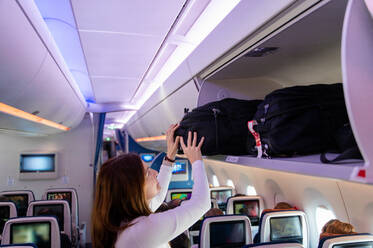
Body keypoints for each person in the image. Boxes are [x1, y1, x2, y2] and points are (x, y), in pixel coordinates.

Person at [91, 125, 211, 248]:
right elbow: (202, 203)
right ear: (135, 189)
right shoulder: (140, 232)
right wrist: (196, 159)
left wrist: (170, 157)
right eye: (148, 173)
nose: (155, 173)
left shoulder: (126, 224)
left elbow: (158, 197)